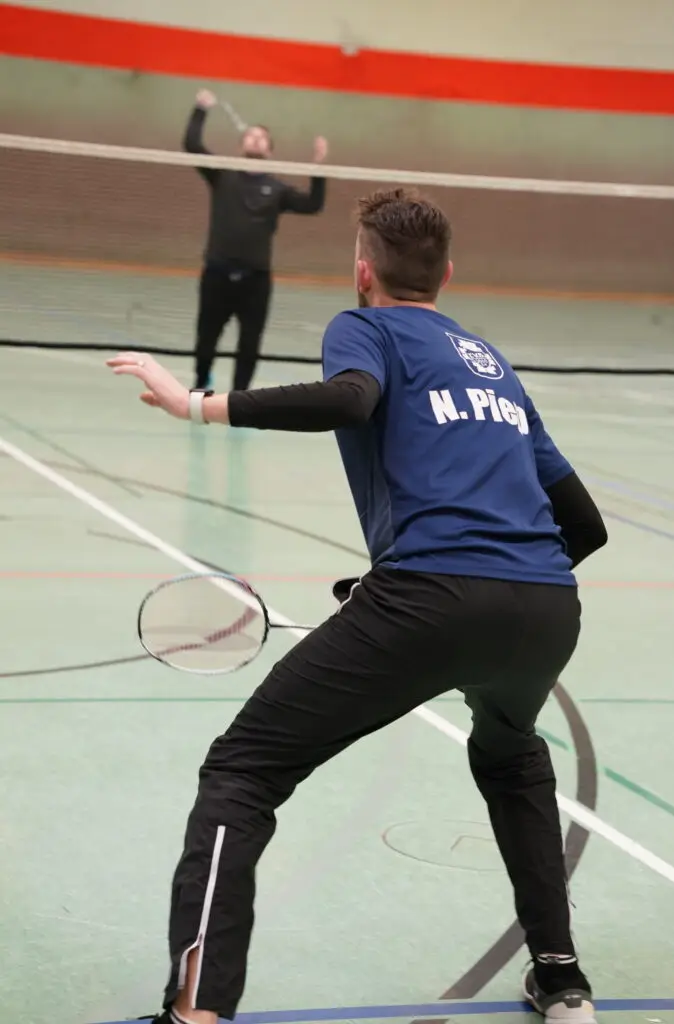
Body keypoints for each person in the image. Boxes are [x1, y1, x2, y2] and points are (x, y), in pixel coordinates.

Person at [107, 187, 607, 1024]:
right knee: (511, 754)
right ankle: (561, 980)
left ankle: (195, 1010)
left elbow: (349, 401)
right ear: (445, 274)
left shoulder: (364, 326)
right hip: (547, 607)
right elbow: (581, 524)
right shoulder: (490, 361)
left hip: (430, 601)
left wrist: (195, 404)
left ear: (361, 271)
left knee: (241, 773)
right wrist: (482, 584)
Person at [183, 89, 328, 392]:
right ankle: (201, 382)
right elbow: (192, 145)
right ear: (241, 146)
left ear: (270, 151)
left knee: (249, 343)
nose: (256, 139)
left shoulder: (277, 190)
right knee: (206, 337)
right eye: (251, 135)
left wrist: (319, 167)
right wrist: (200, 109)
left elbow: (313, 204)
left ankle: (241, 398)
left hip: (256, 280)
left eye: (262, 137)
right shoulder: (222, 175)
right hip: (217, 274)